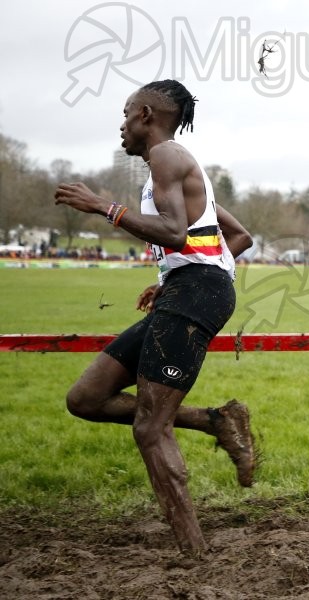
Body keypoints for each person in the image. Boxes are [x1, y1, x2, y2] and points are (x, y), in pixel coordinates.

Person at [53, 80, 256, 554]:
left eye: (125, 114)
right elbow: (238, 236)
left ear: (145, 113)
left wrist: (103, 206)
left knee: (150, 426)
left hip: (196, 297)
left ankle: (193, 551)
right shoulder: (174, 168)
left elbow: (175, 233)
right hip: (188, 292)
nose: (121, 125)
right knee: (86, 398)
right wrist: (175, 279)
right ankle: (216, 421)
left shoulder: (167, 156)